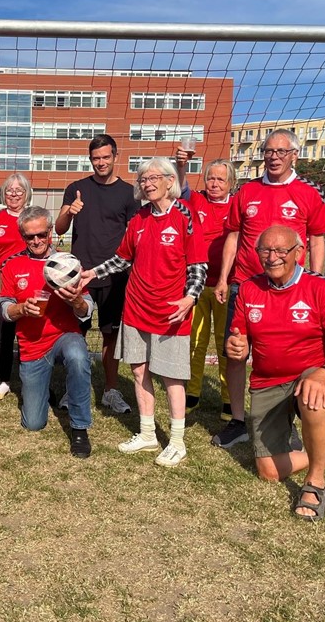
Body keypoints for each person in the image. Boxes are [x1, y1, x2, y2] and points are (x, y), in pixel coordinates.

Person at [227, 225, 325, 520]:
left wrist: (323, 374)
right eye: (265, 251)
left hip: (315, 373)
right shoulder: (249, 288)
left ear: (298, 252)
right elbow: (240, 340)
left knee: (312, 394)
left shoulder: (321, 287)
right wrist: (237, 345)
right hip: (267, 381)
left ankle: (315, 483)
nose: (272, 257)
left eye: (281, 251)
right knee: (269, 473)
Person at [82, 158, 207, 467]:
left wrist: (189, 299)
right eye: (142, 179)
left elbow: (198, 267)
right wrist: (91, 274)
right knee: (139, 371)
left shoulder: (185, 216)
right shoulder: (138, 218)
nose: (146, 183)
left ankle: (177, 442)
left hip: (170, 313)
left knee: (171, 378)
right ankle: (148, 433)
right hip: (136, 309)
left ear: (169, 181)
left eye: (153, 178)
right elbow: (122, 259)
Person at [213, 129, 325, 449]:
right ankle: (238, 421)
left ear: (294, 155)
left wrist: (315, 282)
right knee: (235, 353)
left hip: (291, 291)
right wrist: (224, 278)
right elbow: (233, 237)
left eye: (281, 151)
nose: (273, 157)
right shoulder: (247, 192)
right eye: (268, 151)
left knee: (289, 356)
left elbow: (317, 240)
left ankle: (286, 420)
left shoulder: (308, 194)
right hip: (245, 287)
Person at [0, 206, 94, 458]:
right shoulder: (12, 265)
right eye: (30, 237)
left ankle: (79, 428)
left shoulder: (67, 262)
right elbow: (4, 311)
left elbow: (87, 310)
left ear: (50, 231)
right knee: (33, 424)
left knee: (77, 355)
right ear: (23, 237)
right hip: (32, 347)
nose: (37, 241)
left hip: (64, 336)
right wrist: (20, 308)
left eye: (41, 234)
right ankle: (44, 390)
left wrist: (77, 303)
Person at [56, 134, 140, 414]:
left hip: (114, 276)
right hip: (80, 275)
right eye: (95, 158)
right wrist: (70, 211)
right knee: (74, 334)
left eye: (105, 157)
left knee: (110, 336)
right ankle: (73, 390)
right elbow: (58, 228)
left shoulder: (129, 193)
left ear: (116, 157)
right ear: (90, 160)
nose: (101, 162)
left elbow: (134, 237)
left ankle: (111, 391)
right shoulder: (76, 188)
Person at [186, 159, 235, 418]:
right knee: (195, 341)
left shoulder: (237, 206)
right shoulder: (196, 200)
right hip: (197, 283)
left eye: (220, 179)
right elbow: (177, 186)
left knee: (226, 342)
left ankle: (229, 398)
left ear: (231, 183)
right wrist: (181, 164)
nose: (214, 184)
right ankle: (192, 393)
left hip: (226, 284)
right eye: (210, 178)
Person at [0, 173, 30, 400]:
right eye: (9, 190)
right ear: (3, 194)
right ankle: (4, 380)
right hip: (2, 284)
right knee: (4, 333)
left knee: (30, 332)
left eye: (19, 190)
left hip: (28, 282)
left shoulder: (33, 217)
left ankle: (31, 376)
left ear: (26, 194)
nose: (13, 194)